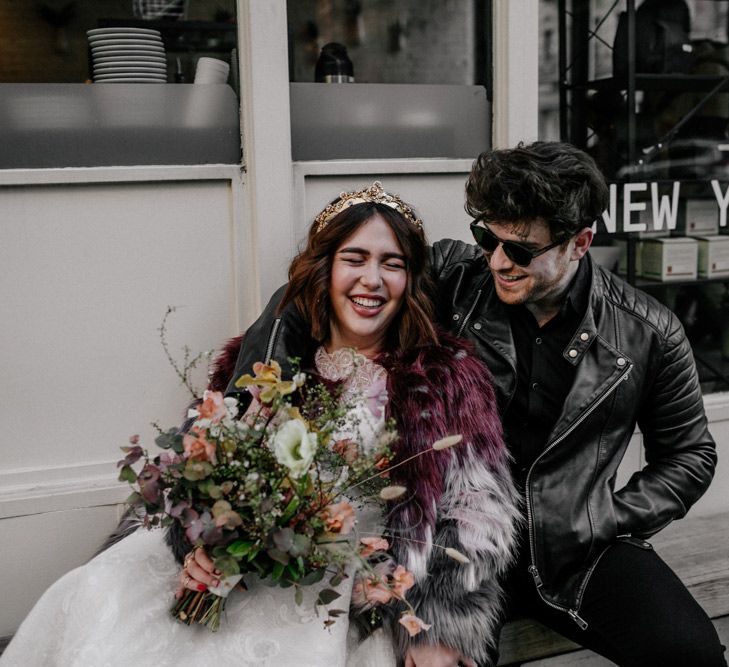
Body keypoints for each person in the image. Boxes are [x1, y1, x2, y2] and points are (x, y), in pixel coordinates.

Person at [206, 143, 723, 667]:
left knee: (692, 655)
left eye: (520, 250)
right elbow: (308, 295)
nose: (498, 261)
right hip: (453, 541)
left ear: (580, 242)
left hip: (573, 550)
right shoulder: (455, 275)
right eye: (487, 237)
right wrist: (250, 398)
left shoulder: (647, 332)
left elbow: (690, 457)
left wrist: (601, 515)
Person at [0, 183, 519, 667]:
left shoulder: (445, 377)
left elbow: (476, 518)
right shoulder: (268, 361)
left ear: (410, 280)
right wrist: (197, 543)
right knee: (104, 603)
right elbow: (200, 462)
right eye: (354, 259)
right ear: (324, 268)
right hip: (243, 572)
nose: (372, 279)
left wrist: (438, 629)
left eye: (393, 264)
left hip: (341, 595)